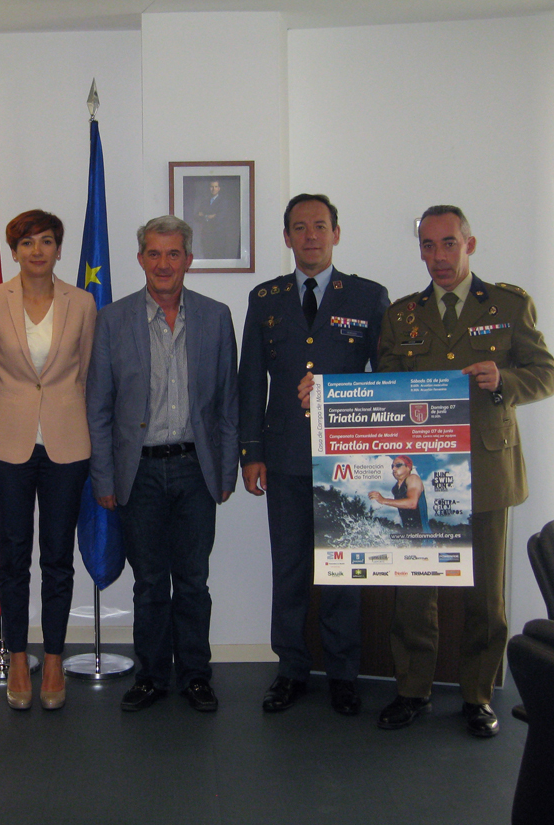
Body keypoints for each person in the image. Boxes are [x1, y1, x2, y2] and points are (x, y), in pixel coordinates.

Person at [375, 205, 554, 737]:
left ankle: (478, 695)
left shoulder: (506, 304)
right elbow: (386, 390)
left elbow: (545, 375)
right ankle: (412, 689)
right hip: (424, 476)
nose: (438, 257)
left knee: (486, 595)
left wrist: (503, 379)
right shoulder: (402, 315)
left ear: (469, 245)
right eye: (428, 246)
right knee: (414, 590)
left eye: (448, 244)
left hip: (487, 468)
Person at [238, 193, 389, 717]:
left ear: (336, 233)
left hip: (347, 459)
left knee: (344, 571)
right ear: (286, 237)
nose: (310, 236)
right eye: (299, 228)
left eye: (320, 226)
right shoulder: (266, 298)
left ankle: (344, 673)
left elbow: (387, 381)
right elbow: (249, 380)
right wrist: (250, 452)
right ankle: (291, 669)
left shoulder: (368, 298)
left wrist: (339, 391)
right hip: (282, 458)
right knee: (291, 567)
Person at [87, 215, 238, 713]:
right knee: (150, 582)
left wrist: (226, 471)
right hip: (140, 473)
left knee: (194, 580)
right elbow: (100, 408)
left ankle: (196, 675)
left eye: (174, 254)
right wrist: (104, 477)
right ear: (140, 259)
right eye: (154, 253)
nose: (164, 263)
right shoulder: (112, 321)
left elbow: (228, 405)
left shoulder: (216, 318)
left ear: (188, 260)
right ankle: (151, 675)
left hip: (196, 470)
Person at [0, 209, 97, 711]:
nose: (37, 251)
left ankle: (52, 658)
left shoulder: (83, 303)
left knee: (58, 558)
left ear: (60, 249)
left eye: (47, 241)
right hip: (8, 444)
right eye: (27, 243)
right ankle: (18, 657)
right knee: (15, 555)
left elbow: (85, 374)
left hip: (67, 442)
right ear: (14, 251)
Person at [369, 455, 430, 533]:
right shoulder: (395, 489)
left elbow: (412, 503)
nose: (394, 468)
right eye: (392, 466)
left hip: (423, 535)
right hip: (408, 534)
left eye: (398, 465)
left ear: (408, 467)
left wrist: (383, 500)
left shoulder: (413, 478)